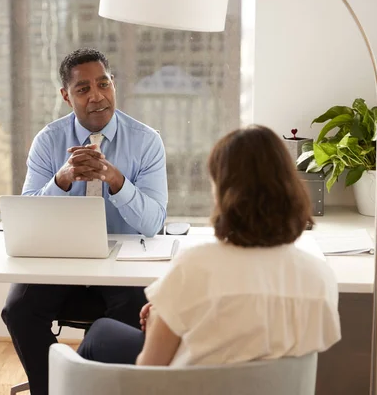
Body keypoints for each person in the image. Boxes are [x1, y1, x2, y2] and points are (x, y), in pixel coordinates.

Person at [77, 125, 341, 367]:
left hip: (195, 384)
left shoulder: (196, 266)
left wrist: (161, 317)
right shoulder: (320, 277)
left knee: (100, 332)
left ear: (225, 192)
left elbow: (149, 370)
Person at [1, 48, 168, 394]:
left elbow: (153, 222)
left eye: (103, 84)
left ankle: (96, 388)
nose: (97, 96)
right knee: (18, 310)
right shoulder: (49, 141)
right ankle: (51, 389)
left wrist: (117, 181)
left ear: (113, 84)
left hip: (122, 266)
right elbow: (28, 215)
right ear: (66, 95)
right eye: (83, 89)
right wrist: (62, 180)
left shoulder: (147, 141)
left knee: (130, 315)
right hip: (61, 260)